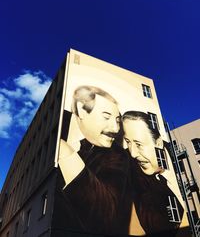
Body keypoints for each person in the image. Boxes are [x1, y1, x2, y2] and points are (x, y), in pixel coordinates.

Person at [57, 86, 132, 235]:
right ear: (82, 110)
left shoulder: (117, 156)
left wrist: (66, 154)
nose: (115, 128)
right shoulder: (58, 122)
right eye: (106, 116)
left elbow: (106, 216)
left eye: (118, 120)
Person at [122, 111, 184, 237]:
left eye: (139, 144)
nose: (133, 153)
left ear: (158, 143)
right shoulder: (129, 167)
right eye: (128, 142)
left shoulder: (177, 156)